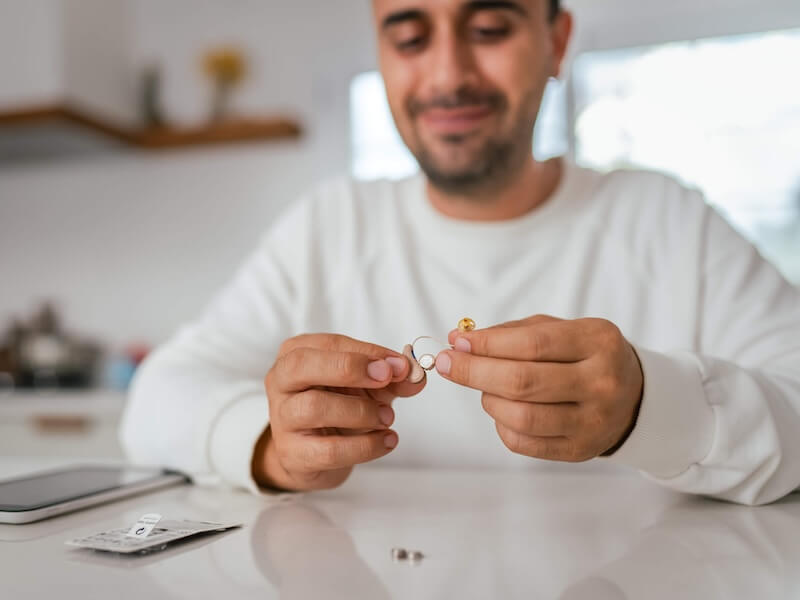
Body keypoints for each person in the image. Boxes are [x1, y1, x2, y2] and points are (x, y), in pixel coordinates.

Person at [120, 0, 800, 505]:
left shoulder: (669, 220)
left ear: (557, 42)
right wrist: (269, 443)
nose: (448, 74)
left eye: (489, 29)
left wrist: (651, 406)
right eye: (411, 37)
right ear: (381, 53)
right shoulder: (329, 228)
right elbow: (155, 401)